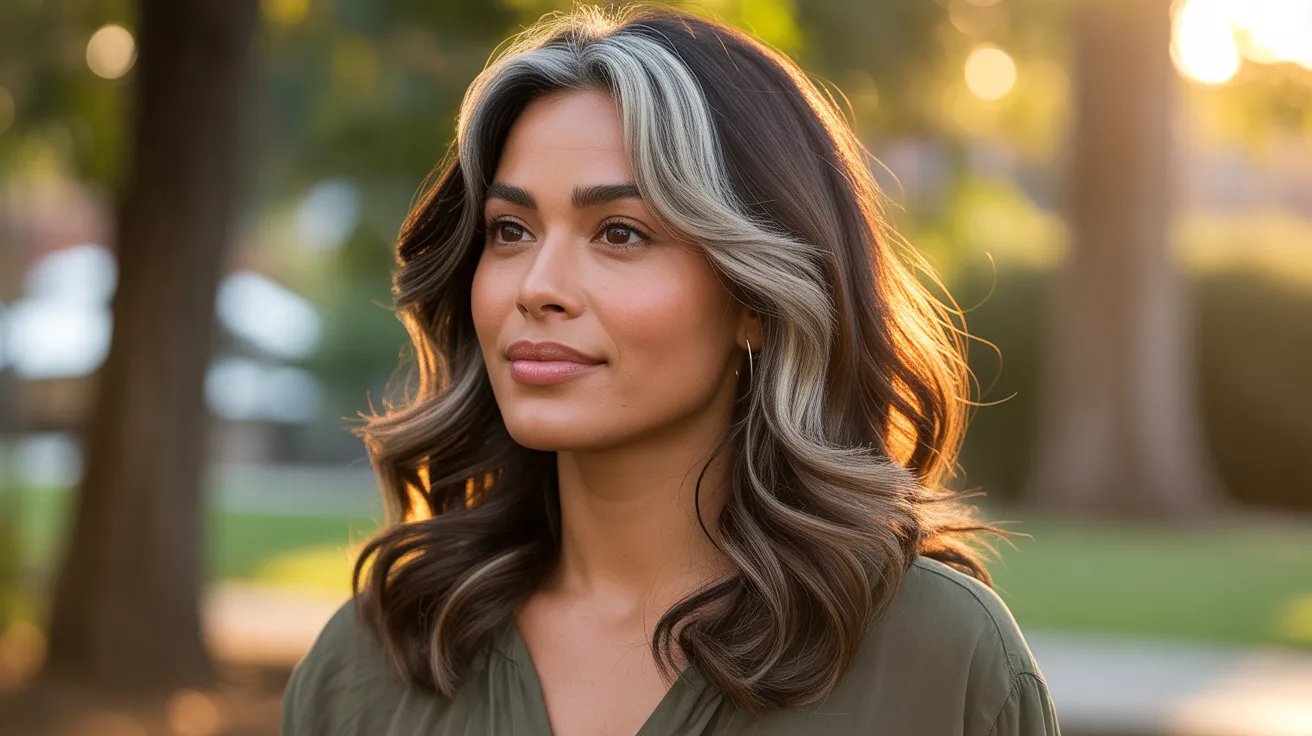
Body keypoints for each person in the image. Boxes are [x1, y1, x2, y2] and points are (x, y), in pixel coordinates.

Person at [280, 4, 1061, 735]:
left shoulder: (940, 660)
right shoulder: (374, 663)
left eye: (619, 233)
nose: (538, 287)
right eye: (510, 230)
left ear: (756, 294)